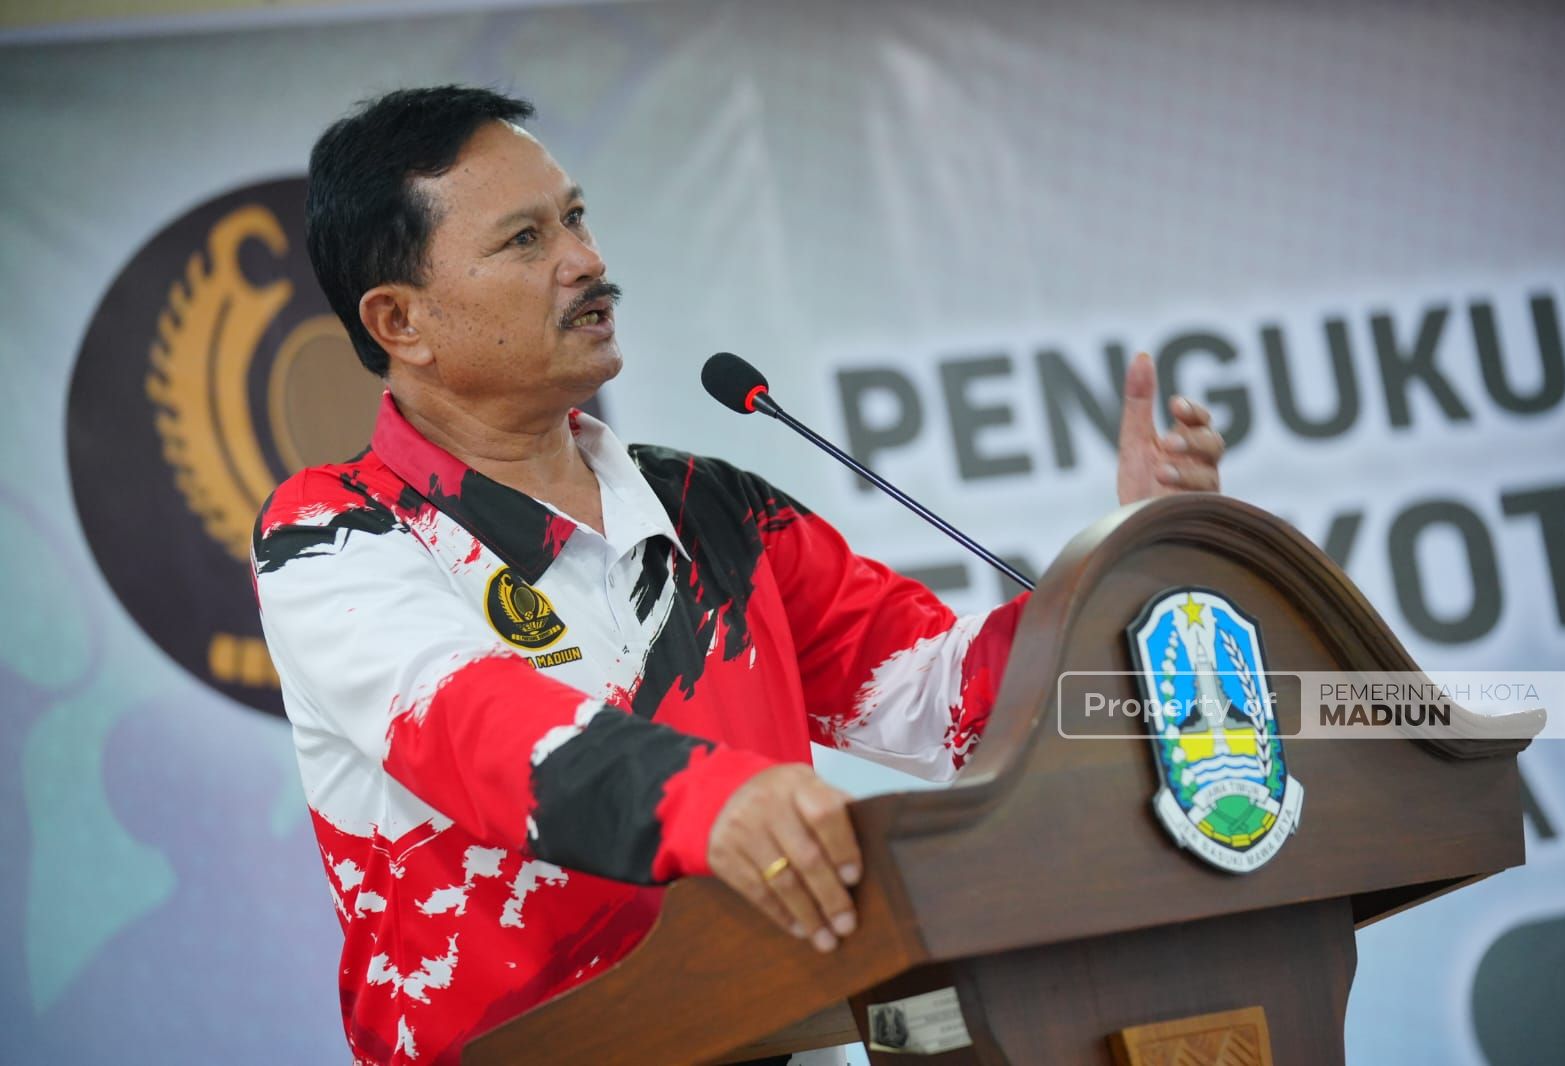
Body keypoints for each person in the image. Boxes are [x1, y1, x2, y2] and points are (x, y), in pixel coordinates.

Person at [252, 85, 1224, 1066]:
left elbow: (946, 699)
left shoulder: (711, 509)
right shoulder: (333, 534)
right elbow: (478, 730)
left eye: (576, 218)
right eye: (525, 239)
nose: (586, 261)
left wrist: (1130, 563)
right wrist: (715, 801)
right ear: (401, 322)